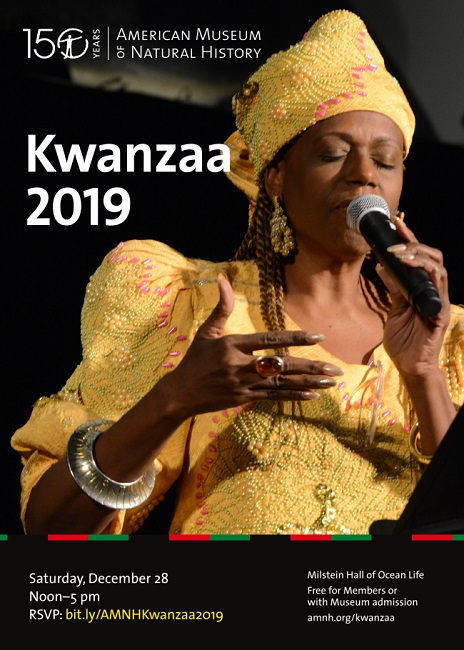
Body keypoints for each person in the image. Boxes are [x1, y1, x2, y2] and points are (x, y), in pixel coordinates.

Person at [12, 9, 463, 535]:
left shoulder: (448, 340)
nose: (364, 174)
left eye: (385, 161)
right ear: (275, 177)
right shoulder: (195, 304)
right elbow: (52, 528)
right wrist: (175, 398)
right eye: (332, 154)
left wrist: (424, 375)